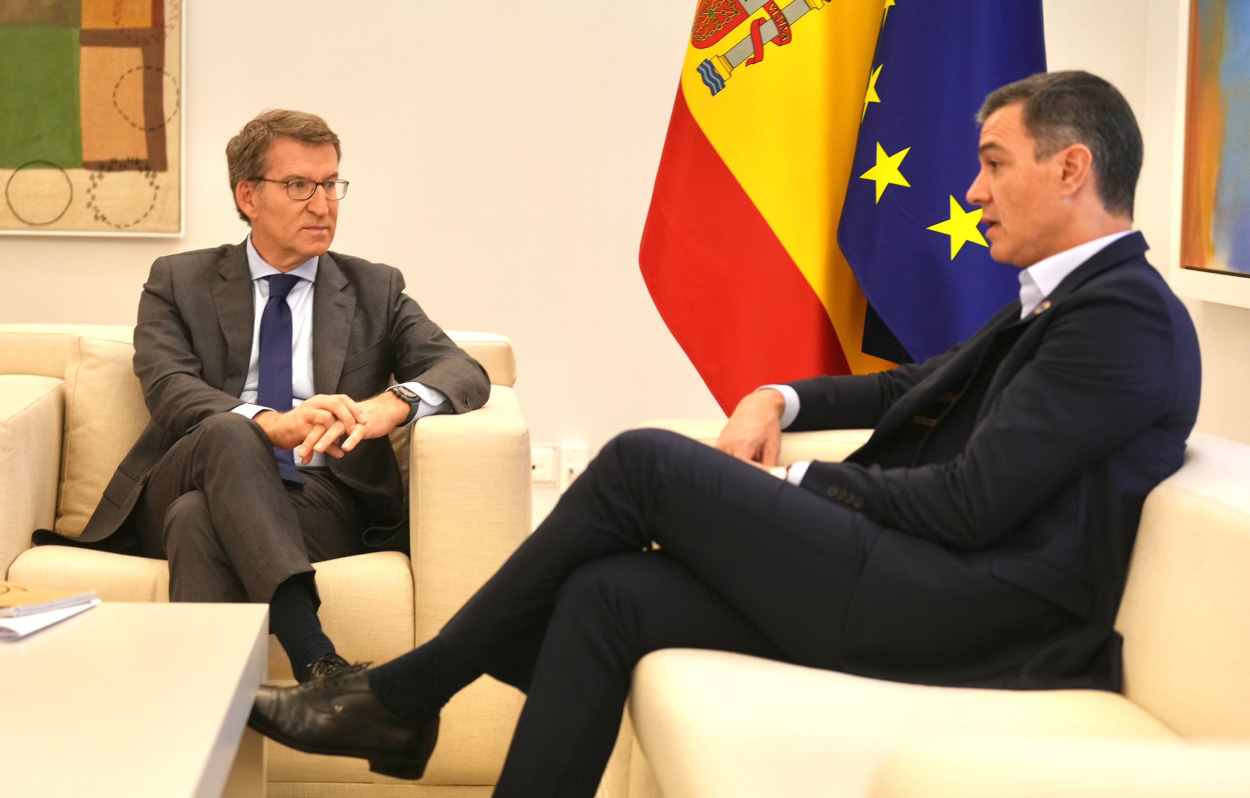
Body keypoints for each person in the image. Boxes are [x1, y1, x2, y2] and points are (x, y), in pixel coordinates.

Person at [248, 71, 1201, 795]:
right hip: (931, 581)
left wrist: (790, 489)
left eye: (995, 162)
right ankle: (411, 708)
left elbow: (972, 502)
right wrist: (779, 397)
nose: (977, 189)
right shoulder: (1068, 302)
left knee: (641, 464)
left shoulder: (1121, 317)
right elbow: (921, 386)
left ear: (1071, 168)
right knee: (609, 591)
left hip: (980, 616)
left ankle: (407, 696)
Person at [36, 110, 489, 683]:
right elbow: (171, 390)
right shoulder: (179, 281)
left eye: (330, 184)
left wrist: (389, 405)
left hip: (318, 498)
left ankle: (207, 740)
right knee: (231, 431)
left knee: (197, 521)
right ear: (248, 195)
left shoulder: (375, 288)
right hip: (190, 467)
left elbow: (463, 370)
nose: (322, 205)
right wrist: (270, 423)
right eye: (299, 186)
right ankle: (315, 656)